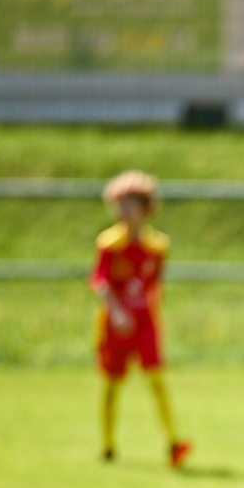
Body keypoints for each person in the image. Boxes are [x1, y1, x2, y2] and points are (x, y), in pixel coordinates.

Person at [91, 170, 191, 468]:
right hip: (116, 326)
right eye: (120, 203)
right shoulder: (109, 244)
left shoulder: (157, 246)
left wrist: (146, 315)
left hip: (145, 324)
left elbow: (153, 285)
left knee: (157, 381)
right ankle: (108, 445)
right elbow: (101, 282)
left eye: (130, 203)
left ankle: (173, 442)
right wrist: (118, 312)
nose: (124, 210)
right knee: (111, 384)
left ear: (145, 208)